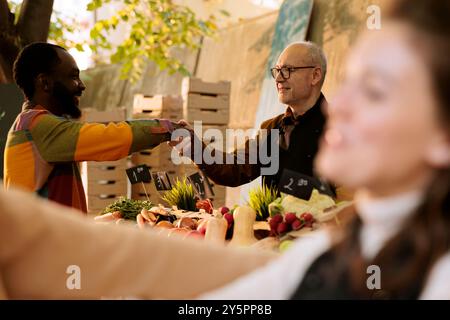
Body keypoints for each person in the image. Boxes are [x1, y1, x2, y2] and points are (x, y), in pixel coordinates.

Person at [200, 0, 450, 299]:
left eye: (374, 91)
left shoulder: (438, 278)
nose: (341, 105)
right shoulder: (320, 253)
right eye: (350, 83)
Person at [3, 43, 180, 213]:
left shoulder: (30, 123)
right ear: (45, 83)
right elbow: (109, 138)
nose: (82, 85)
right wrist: (169, 129)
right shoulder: (37, 125)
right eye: (73, 76)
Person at [173, 41, 330, 192]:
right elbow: (235, 168)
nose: (278, 78)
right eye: (277, 70)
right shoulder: (270, 129)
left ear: (315, 76)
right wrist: (195, 148)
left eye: (288, 69)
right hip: (272, 220)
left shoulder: (341, 129)